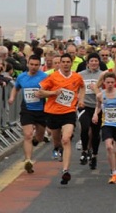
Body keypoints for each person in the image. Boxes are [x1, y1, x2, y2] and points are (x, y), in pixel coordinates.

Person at [37, 53, 85, 185]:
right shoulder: (52, 77)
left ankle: (65, 170)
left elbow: (82, 87)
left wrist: (81, 100)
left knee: (66, 139)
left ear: (71, 62)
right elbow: (40, 92)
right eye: (63, 61)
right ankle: (58, 148)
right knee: (57, 141)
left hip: (68, 112)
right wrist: (53, 93)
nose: (65, 64)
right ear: (60, 63)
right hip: (52, 113)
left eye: (67, 61)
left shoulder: (76, 76)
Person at [8, 55, 48, 174]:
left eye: (36, 65)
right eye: (32, 64)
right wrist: (11, 97)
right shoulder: (22, 77)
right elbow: (16, 88)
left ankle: (37, 140)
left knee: (39, 138)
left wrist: (43, 94)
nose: (34, 67)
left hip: (41, 110)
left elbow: (51, 91)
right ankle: (28, 161)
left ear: (39, 65)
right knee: (28, 135)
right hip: (27, 110)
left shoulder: (44, 77)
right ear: (28, 64)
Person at [78, 52, 102, 169]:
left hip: (98, 107)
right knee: (85, 128)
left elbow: (105, 93)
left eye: (96, 61)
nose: (94, 63)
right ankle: (84, 150)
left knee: (96, 133)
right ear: (87, 63)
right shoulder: (80, 75)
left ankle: (94, 155)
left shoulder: (102, 75)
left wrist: (96, 89)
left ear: (99, 63)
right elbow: (76, 89)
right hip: (85, 106)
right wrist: (78, 100)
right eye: (91, 61)